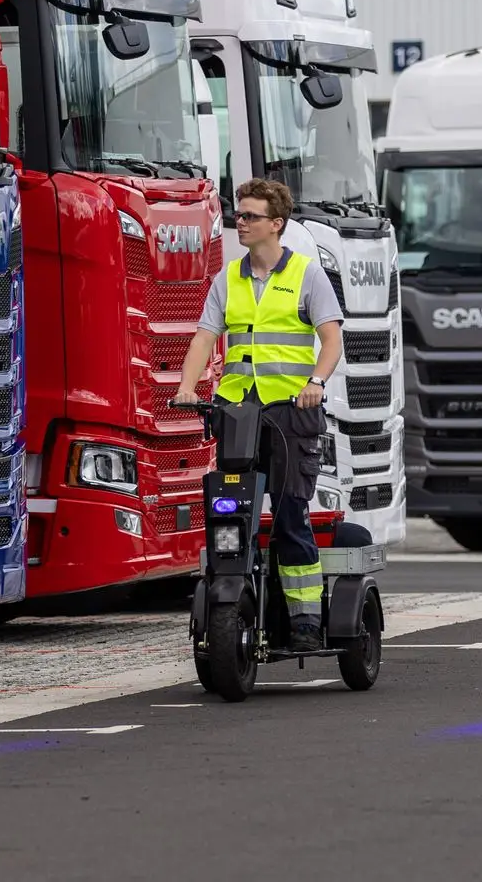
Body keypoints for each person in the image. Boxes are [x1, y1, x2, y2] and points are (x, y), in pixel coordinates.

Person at [175, 178, 344, 652]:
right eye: (238, 215)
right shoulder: (227, 278)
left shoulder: (307, 275)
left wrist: (316, 383)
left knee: (290, 515)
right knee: (230, 512)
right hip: (237, 412)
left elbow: (330, 339)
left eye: (249, 216)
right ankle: (236, 601)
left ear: (277, 224)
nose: (240, 223)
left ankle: (306, 619)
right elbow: (204, 339)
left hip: (290, 413)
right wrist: (188, 388)